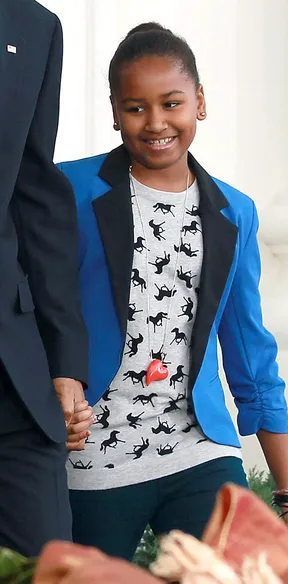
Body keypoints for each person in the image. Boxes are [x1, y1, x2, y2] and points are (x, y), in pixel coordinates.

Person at [60, 22, 288, 560]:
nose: (156, 123)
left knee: (239, 571)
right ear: (114, 111)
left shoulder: (233, 212)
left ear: (199, 102)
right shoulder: (68, 192)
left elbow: (250, 350)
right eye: (135, 107)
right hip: (92, 456)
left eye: (171, 102)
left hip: (198, 447)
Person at [0, 0, 89, 557]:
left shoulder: (33, 26)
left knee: (49, 563)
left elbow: (35, 197)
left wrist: (64, 363)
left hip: (14, 377)